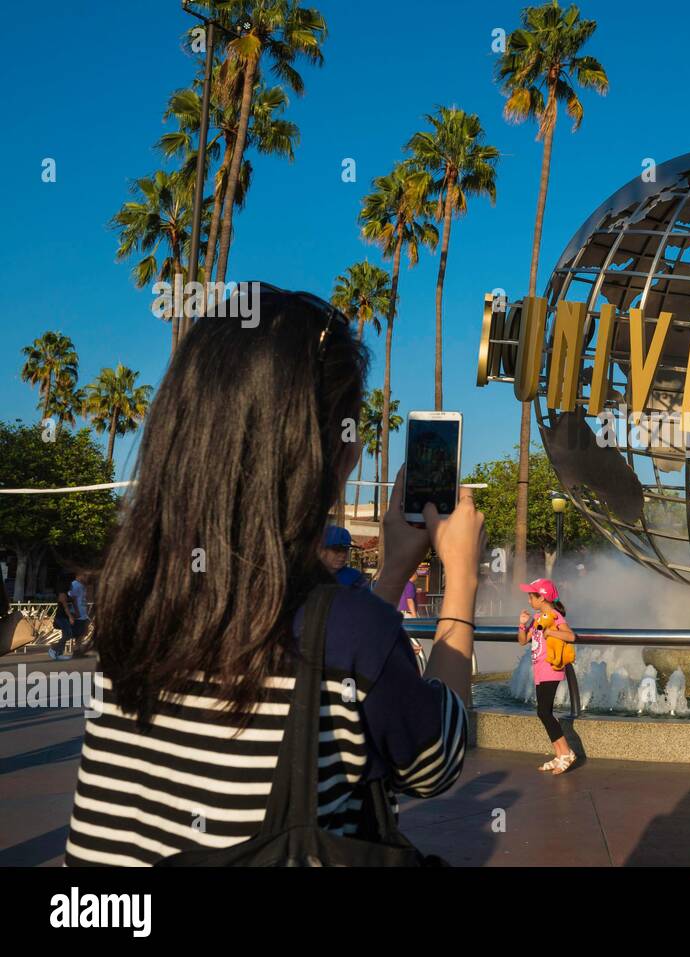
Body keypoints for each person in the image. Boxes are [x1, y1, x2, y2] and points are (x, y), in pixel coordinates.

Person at [65, 286, 479, 866]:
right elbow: (438, 760)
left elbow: (333, 652)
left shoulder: (133, 600)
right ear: (323, 456)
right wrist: (460, 577)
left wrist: (390, 574)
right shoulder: (355, 636)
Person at [518, 578, 578, 774]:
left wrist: (551, 633)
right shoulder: (537, 618)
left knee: (544, 712)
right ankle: (560, 754)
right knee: (543, 712)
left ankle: (567, 753)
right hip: (539, 671)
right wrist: (522, 625)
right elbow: (522, 641)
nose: (529, 600)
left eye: (531, 596)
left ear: (542, 597)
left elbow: (570, 636)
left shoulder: (554, 617)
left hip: (551, 669)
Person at [49, 572, 77, 660]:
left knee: (67, 634)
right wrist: (70, 617)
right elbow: (65, 607)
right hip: (61, 616)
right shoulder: (62, 593)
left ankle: (59, 653)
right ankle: (53, 649)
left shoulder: (66, 593)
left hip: (64, 617)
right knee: (68, 634)